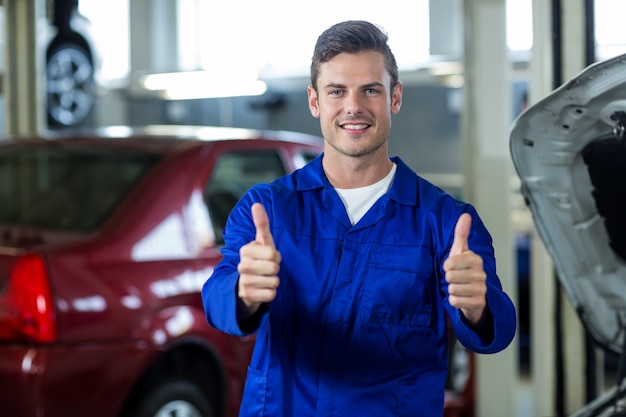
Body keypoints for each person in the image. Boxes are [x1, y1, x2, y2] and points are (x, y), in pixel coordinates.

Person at [202, 20, 516, 417]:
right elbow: (216, 301)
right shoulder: (266, 209)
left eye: (370, 89)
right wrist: (244, 294)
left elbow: (498, 331)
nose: (353, 107)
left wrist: (478, 307)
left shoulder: (447, 223)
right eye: (337, 91)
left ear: (395, 97)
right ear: (315, 102)